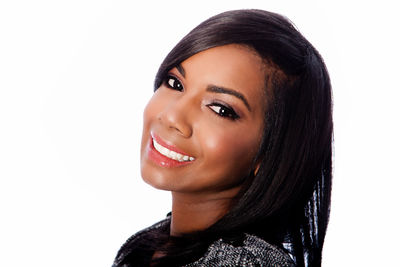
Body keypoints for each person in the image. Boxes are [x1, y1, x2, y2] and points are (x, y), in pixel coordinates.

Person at [112, 9, 332, 267]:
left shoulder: (241, 262)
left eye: (220, 109)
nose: (172, 116)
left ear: (271, 153)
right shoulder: (149, 246)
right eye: (175, 84)